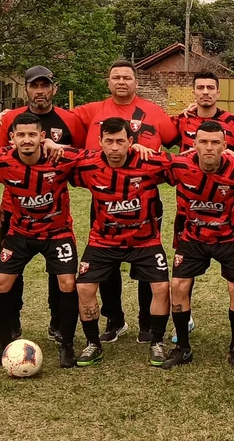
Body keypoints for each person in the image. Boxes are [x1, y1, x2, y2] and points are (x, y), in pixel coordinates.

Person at [72, 60, 179, 343]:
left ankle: (147, 322)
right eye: (116, 77)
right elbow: (53, 118)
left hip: (145, 200)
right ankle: (114, 319)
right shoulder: (92, 110)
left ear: (136, 82)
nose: (121, 82)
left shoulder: (153, 111)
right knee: (105, 260)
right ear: (108, 82)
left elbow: (177, 137)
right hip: (104, 200)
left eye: (127, 77)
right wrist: (11, 115)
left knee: (147, 262)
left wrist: (189, 113)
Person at [0, 113, 87, 368]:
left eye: (32, 134)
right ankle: (3, 344)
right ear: (11, 138)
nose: (27, 140)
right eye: (21, 135)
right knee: (0, 283)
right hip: (20, 233)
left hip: (57, 233)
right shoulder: (1, 160)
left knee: (68, 283)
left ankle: (67, 345)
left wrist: (61, 146)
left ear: (42, 137)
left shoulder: (59, 157)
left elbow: (94, 156)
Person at [0, 65, 85, 344]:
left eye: (45, 86)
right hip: (14, 209)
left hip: (54, 211)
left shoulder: (69, 119)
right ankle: (12, 322)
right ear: (26, 89)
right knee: (11, 270)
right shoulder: (11, 119)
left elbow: (83, 155)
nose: (40, 91)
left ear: (54, 88)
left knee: (59, 271)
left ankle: (58, 322)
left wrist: (57, 147)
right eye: (34, 86)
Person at [70, 118, 173, 367]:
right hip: (103, 241)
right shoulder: (87, 165)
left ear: (131, 141)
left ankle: (157, 341)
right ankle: (93, 343)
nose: (114, 147)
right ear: (100, 142)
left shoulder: (150, 162)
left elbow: (186, 162)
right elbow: (58, 156)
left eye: (120, 141)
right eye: (109, 141)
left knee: (161, 287)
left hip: (145, 241)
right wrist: (50, 144)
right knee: (84, 288)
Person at [170, 71, 234, 345]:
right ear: (193, 91)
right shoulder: (181, 120)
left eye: (210, 87)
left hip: (226, 225)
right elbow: (155, 143)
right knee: (182, 279)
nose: (205, 92)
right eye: (200, 87)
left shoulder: (232, 122)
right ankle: (184, 322)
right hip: (188, 216)